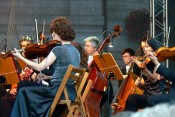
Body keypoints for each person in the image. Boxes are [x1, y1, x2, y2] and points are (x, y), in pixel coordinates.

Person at [10, 16, 80, 117]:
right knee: (25, 89)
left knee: (23, 91)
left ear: (60, 32)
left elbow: (39, 67)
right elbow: (66, 75)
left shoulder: (58, 50)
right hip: (70, 93)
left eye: (54, 32)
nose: (52, 34)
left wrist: (21, 57)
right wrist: (49, 77)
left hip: (57, 91)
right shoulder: (75, 51)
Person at [124, 37, 165, 111]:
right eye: (143, 47)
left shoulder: (157, 60)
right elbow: (144, 86)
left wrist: (144, 69)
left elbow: (154, 80)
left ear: (153, 47)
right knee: (128, 102)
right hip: (147, 95)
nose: (145, 49)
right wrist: (140, 84)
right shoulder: (145, 61)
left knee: (132, 98)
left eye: (147, 47)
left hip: (157, 96)